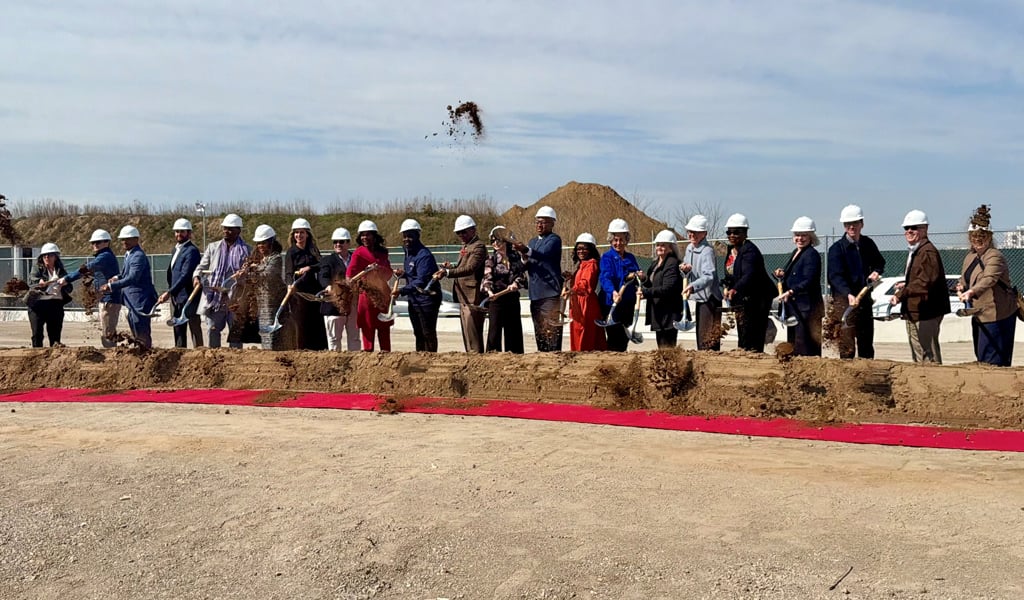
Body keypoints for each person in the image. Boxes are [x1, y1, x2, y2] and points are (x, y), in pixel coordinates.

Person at [957, 205, 1017, 367]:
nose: (978, 242)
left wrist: (972, 291)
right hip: (979, 315)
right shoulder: (970, 256)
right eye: (974, 238)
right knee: (982, 357)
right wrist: (961, 287)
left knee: (993, 362)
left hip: (997, 316)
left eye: (981, 238)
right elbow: (965, 279)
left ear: (989, 237)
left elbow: (989, 279)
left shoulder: (995, 256)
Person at [891, 210, 950, 364]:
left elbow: (925, 283)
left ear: (925, 229)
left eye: (914, 227)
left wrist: (901, 294)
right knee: (919, 355)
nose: (909, 231)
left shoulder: (927, 252)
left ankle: (935, 385)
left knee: (929, 356)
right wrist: (906, 285)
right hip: (916, 312)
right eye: (906, 228)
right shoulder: (917, 251)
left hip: (927, 312)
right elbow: (921, 279)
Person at [827, 204, 885, 359]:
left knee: (866, 343)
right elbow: (834, 277)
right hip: (844, 303)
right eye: (848, 224)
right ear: (844, 226)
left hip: (864, 300)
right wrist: (848, 294)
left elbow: (880, 262)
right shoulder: (837, 249)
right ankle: (848, 379)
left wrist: (876, 272)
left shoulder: (868, 244)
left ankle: (868, 376)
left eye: (855, 223)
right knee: (847, 345)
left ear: (862, 224)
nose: (852, 227)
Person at [193, 214, 251, 349]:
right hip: (215, 298)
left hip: (236, 299)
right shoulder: (213, 248)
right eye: (225, 228)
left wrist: (244, 274)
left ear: (238, 231)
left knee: (236, 334)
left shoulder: (247, 250)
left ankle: (235, 362)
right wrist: (196, 277)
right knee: (212, 330)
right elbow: (201, 267)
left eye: (230, 229)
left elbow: (252, 273)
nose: (226, 231)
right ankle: (215, 361)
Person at [513, 206, 564, 352]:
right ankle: (542, 360)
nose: (539, 225)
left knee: (552, 332)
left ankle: (554, 360)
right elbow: (526, 265)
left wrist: (525, 250)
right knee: (540, 331)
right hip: (535, 294)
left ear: (552, 223)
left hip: (550, 294)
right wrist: (523, 258)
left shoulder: (554, 240)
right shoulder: (533, 241)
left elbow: (543, 255)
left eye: (543, 222)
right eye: (537, 222)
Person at [60, 229, 121, 348]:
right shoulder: (104, 256)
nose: (95, 245)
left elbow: (87, 268)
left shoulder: (105, 256)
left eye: (98, 242)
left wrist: (67, 279)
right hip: (106, 298)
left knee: (108, 333)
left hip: (110, 299)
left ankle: (112, 357)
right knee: (107, 330)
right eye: (93, 243)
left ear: (107, 242)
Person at [722, 213, 774, 352]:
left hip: (757, 298)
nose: (732, 235)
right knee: (743, 329)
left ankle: (754, 355)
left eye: (736, 232)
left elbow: (748, 275)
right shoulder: (731, 250)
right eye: (729, 232)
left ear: (745, 233)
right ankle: (743, 353)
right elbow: (731, 273)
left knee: (753, 332)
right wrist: (727, 286)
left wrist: (735, 289)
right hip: (742, 297)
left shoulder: (750, 251)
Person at [436, 215, 487, 353]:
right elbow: (463, 267)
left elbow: (470, 268)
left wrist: (448, 272)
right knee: (467, 332)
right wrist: (451, 267)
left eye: (464, 232)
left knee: (473, 332)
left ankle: (477, 358)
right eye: (459, 233)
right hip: (463, 296)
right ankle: (471, 357)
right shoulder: (466, 246)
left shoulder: (479, 247)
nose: (461, 235)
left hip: (473, 295)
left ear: (473, 230)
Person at [774, 217, 824, 356]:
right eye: (797, 235)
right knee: (794, 344)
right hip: (795, 309)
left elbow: (809, 280)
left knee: (806, 347)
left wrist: (791, 291)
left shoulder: (811, 255)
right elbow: (796, 275)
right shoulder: (796, 253)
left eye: (804, 235)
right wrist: (782, 274)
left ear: (811, 237)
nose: (800, 238)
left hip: (807, 310)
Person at [103, 225, 159, 349]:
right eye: (123, 239)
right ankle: (140, 352)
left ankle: (145, 353)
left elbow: (133, 277)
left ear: (136, 239)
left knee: (141, 329)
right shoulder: (129, 254)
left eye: (127, 239)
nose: (124, 242)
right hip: (132, 300)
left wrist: (112, 285)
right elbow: (125, 274)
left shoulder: (138, 255)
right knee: (135, 326)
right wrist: (117, 277)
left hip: (140, 300)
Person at [347, 220, 394, 352]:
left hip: (383, 296)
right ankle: (368, 355)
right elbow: (350, 275)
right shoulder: (358, 253)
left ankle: (387, 356)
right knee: (368, 328)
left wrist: (380, 270)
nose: (365, 238)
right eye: (362, 235)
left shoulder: (383, 253)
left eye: (368, 235)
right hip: (366, 297)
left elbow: (388, 273)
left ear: (374, 236)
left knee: (384, 328)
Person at [397, 219, 442, 352]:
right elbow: (414, 275)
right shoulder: (409, 253)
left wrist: (402, 291)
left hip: (427, 301)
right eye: (404, 236)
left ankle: (431, 359)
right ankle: (420, 358)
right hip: (414, 300)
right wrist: (404, 274)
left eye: (410, 236)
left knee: (427, 333)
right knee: (418, 333)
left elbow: (422, 280)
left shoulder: (424, 255)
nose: (406, 239)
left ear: (417, 235)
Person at [598, 218, 642, 352]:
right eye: (615, 240)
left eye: (622, 239)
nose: (618, 243)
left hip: (627, 304)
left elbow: (636, 277)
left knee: (623, 340)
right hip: (611, 304)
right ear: (610, 240)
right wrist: (613, 292)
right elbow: (605, 277)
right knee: (613, 338)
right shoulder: (607, 257)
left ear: (626, 240)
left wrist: (641, 277)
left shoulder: (630, 258)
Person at [158, 218, 203, 348]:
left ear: (189, 233)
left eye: (182, 231)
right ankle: (180, 353)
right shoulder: (176, 250)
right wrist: (172, 293)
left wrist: (169, 292)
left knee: (194, 327)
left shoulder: (192, 251)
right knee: (178, 328)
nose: (179, 234)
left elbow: (185, 275)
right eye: (177, 231)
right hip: (176, 297)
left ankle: (200, 355)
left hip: (190, 297)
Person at [680, 215, 723, 351]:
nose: (691, 234)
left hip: (710, 299)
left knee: (708, 340)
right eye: (690, 231)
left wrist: (693, 286)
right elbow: (687, 268)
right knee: (701, 337)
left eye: (696, 232)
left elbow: (709, 275)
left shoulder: (707, 252)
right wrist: (684, 268)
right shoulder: (689, 248)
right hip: (700, 299)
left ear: (704, 233)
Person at [481, 226, 526, 353]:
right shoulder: (491, 259)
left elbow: (521, 275)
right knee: (494, 331)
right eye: (492, 241)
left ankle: (515, 359)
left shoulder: (515, 257)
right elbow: (487, 277)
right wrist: (489, 292)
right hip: (496, 300)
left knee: (513, 331)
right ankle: (493, 359)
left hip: (512, 299)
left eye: (498, 240)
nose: (495, 243)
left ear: (505, 241)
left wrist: (516, 283)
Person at [285, 218, 327, 350]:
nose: (299, 235)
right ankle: (301, 350)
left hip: (313, 291)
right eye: (296, 233)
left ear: (307, 234)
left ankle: (318, 350)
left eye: (301, 232)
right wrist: (290, 285)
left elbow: (321, 264)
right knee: (300, 323)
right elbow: (288, 273)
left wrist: (310, 268)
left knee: (315, 322)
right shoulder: (291, 252)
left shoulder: (313, 250)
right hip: (298, 292)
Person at [246, 225, 288, 350]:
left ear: (271, 242)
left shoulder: (276, 258)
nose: (260, 246)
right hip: (261, 302)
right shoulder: (259, 259)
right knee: (265, 334)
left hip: (274, 303)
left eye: (263, 243)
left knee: (274, 336)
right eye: (259, 244)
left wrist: (254, 269)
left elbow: (268, 274)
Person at [639, 230, 684, 349]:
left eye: (663, 245)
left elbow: (668, 288)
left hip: (669, 313)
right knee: (661, 345)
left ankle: (671, 367)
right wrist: (644, 279)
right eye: (658, 245)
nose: (659, 247)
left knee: (668, 347)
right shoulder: (655, 264)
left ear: (671, 247)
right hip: (658, 312)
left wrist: (646, 293)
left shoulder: (672, 263)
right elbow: (652, 284)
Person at [319, 227, 360, 351]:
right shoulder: (328, 260)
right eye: (335, 242)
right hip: (334, 305)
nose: (338, 244)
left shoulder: (356, 258)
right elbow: (323, 275)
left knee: (354, 337)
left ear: (348, 243)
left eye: (341, 242)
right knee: (334, 339)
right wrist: (328, 286)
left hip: (352, 304)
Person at [27, 243, 72, 347]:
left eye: (50, 255)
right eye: (44, 255)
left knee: (55, 335)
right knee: (37, 334)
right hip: (38, 305)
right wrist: (40, 282)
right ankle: (36, 356)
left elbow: (69, 288)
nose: (47, 257)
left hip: (55, 304)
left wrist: (65, 284)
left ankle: (54, 358)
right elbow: (32, 281)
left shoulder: (60, 271)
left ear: (55, 256)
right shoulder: (37, 268)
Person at [567, 233, 606, 352]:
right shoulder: (581, 265)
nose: (581, 251)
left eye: (584, 248)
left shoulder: (592, 264)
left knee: (585, 332)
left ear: (591, 249)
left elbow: (585, 284)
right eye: (579, 248)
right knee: (577, 330)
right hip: (577, 303)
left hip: (586, 305)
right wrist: (571, 277)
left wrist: (572, 290)